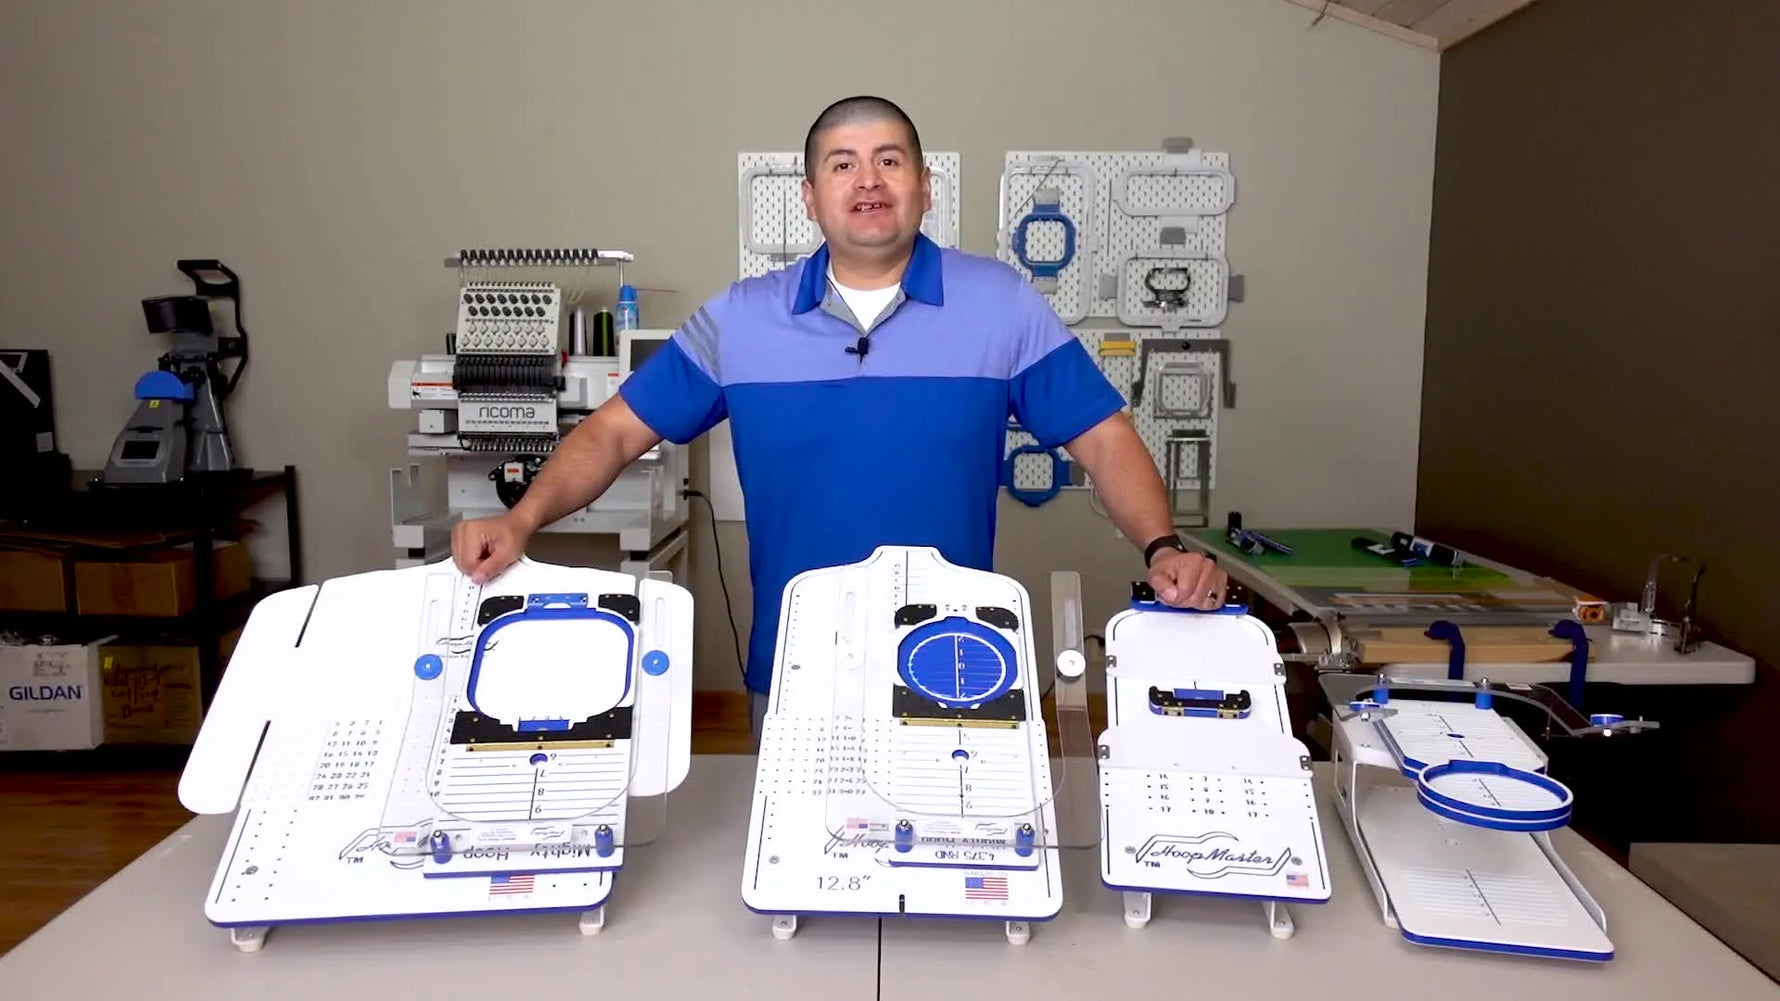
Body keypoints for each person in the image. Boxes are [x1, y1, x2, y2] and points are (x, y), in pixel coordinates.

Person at [451, 95, 1228, 741]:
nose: (868, 180)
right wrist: (521, 520)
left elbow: (1103, 436)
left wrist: (1161, 545)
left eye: (890, 160)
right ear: (810, 195)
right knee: (794, 868)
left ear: (925, 186)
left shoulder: (1003, 305)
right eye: (843, 163)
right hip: (796, 665)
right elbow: (613, 430)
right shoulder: (740, 319)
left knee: (949, 859)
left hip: (956, 657)